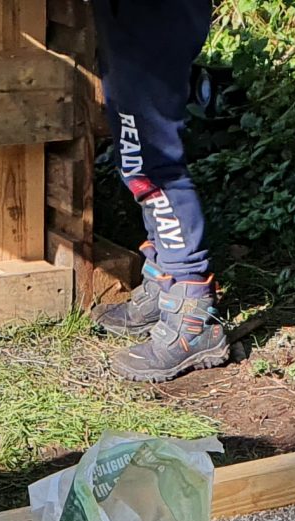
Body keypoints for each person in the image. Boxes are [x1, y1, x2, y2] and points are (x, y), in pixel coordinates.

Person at [89, 0, 228, 382]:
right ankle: (164, 280)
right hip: (127, 18)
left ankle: (191, 311)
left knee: (151, 167)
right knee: (133, 153)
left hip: (155, 16)